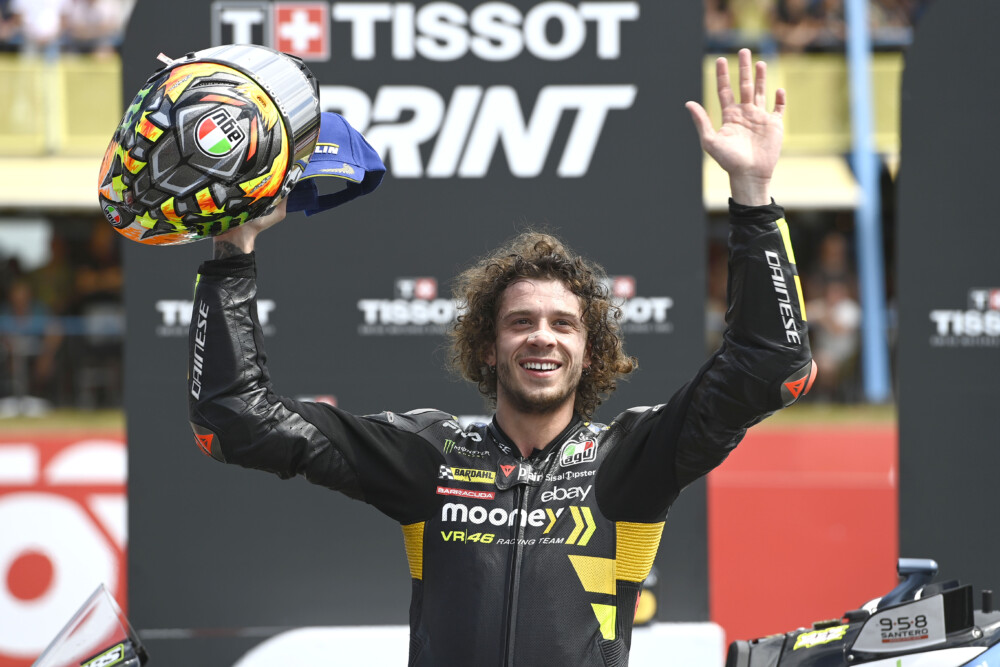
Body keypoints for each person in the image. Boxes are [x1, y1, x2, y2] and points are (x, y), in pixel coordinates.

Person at [188, 49, 814, 666]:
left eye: (563, 324)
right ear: (488, 347)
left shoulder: (631, 460)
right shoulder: (429, 455)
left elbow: (772, 369)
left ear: (589, 352)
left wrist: (753, 196)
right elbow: (234, 422)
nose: (542, 336)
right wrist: (233, 251)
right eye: (521, 322)